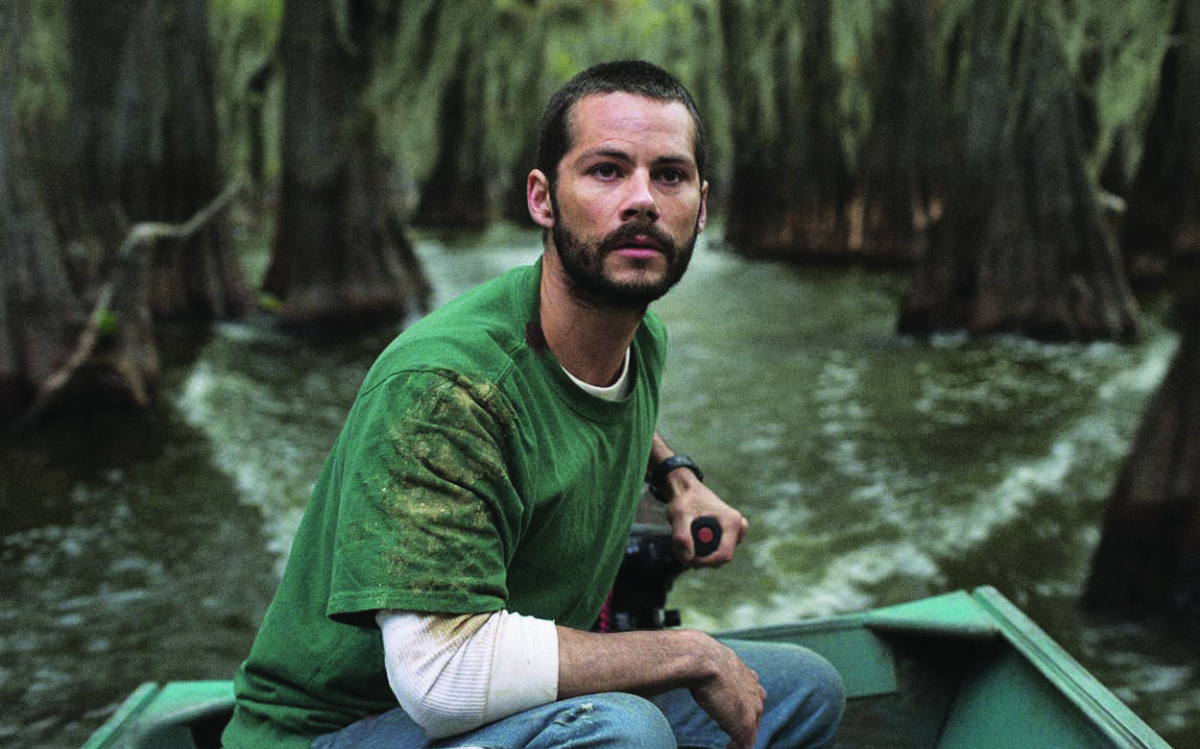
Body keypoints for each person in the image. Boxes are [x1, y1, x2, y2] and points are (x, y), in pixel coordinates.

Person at [221, 60, 844, 749]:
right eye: (607, 170)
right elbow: (442, 678)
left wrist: (678, 478)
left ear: (701, 205)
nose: (641, 199)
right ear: (543, 199)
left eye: (668, 175)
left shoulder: (639, 338)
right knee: (623, 730)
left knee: (804, 688)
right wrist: (686, 651)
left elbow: (594, 404)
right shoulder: (444, 389)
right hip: (337, 730)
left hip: (494, 712)